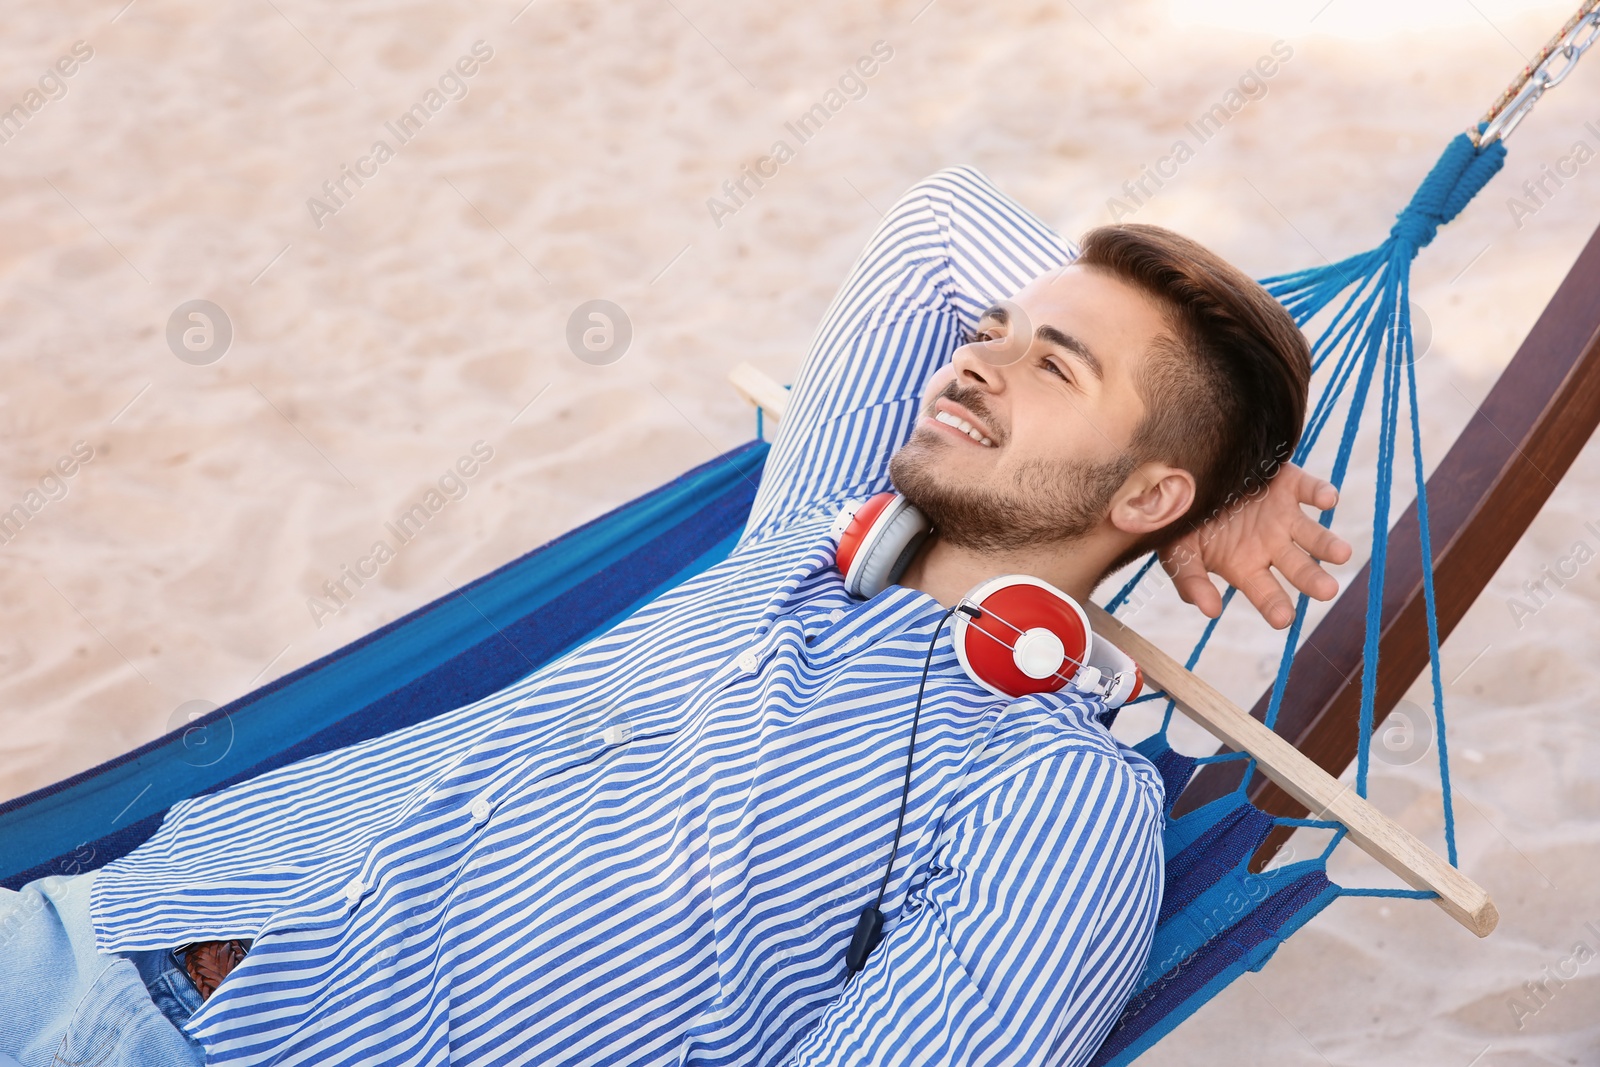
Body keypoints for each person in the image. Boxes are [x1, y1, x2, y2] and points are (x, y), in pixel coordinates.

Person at [0, 166, 1349, 1067]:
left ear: (1147, 488)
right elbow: (938, 222)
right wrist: (1222, 480)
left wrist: (1198, 465)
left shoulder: (1055, 803)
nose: (978, 358)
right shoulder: (808, 532)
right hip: (84, 934)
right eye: (989, 329)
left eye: (1048, 364)